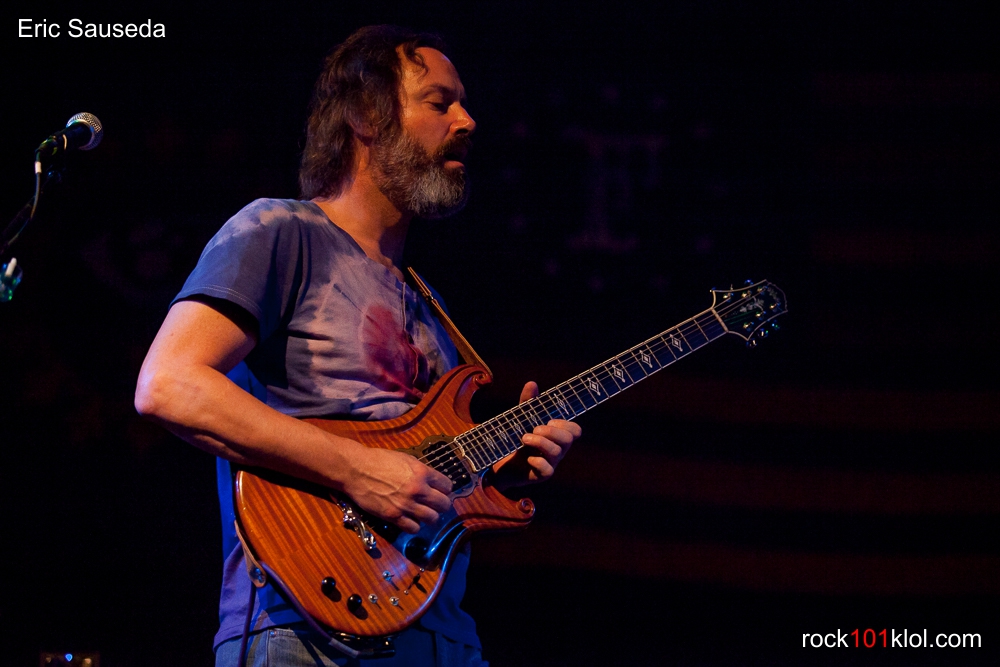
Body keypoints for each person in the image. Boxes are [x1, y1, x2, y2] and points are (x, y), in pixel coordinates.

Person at [134, 25, 581, 666]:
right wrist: (358, 470)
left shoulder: (430, 303)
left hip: (441, 633)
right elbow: (169, 385)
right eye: (440, 102)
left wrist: (499, 462)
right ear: (366, 117)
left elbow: (412, 465)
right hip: (301, 629)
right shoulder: (280, 231)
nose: (467, 121)